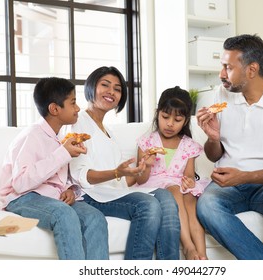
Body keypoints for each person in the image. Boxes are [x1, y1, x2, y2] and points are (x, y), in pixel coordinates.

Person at [196, 34, 263, 260]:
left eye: (228, 67)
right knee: (206, 206)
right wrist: (213, 138)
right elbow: (213, 155)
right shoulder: (221, 95)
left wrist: (244, 177)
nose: (221, 74)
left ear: (252, 69)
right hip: (228, 185)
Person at [65, 66, 180, 260]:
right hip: (91, 195)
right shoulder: (78, 122)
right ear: (91, 87)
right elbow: (81, 176)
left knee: (165, 195)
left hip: (112, 192)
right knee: (148, 205)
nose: (111, 92)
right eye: (105, 85)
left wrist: (136, 170)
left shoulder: (109, 133)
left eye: (117, 89)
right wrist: (118, 173)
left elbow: (120, 183)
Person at [0, 77, 109, 260]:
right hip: (22, 198)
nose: (78, 108)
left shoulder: (60, 138)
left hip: (51, 197)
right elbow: (21, 183)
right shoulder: (32, 135)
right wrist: (62, 153)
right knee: (64, 214)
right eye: (73, 102)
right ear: (55, 109)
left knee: (95, 217)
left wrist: (71, 190)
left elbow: (59, 179)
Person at [133, 86, 210, 260]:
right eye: (165, 117)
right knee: (174, 190)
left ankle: (202, 255)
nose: (170, 124)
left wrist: (189, 182)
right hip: (155, 186)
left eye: (177, 119)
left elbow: (189, 175)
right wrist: (146, 165)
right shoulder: (146, 142)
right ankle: (189, 247)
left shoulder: (189, 144)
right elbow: (140, 178)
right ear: (157, 114)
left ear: (185, 121)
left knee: (191, 201)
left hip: (179, 185)